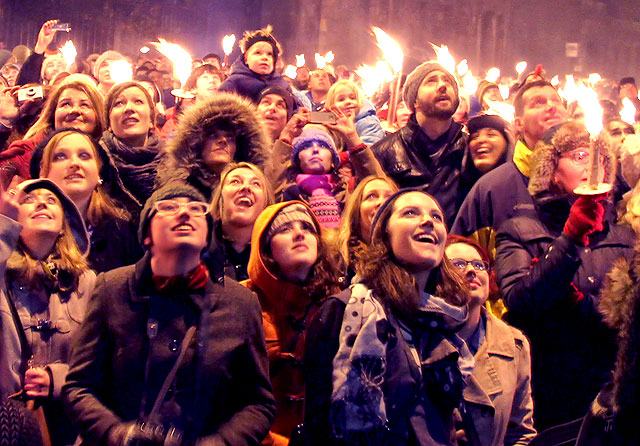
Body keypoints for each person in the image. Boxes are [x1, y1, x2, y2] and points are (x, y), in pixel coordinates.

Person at [62, 182, 276, 446]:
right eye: (169, 207)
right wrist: (116, 434)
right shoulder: (111, 289)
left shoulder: (240, 303)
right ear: (146, 234)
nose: (184, 213)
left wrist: (221, 443)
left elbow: (258, 402)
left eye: (197, 209)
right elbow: (79, 386)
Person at [495, 121, 634, 430]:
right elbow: (521, 301)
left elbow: (631, 317)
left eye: (600, 158)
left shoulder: (627, 236)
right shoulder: (519, 230)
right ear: (551, 171)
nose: (592, 165)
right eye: (579, 155)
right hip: (548, 387)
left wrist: (583, 304)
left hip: (609, 389)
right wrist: (570, 238)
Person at [304, 189, 471, 446]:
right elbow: (318, 426)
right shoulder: (342, 310)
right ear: (384, 236)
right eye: (410, 213)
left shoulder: (443, 322)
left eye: (437, 217)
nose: (428, 221)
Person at [0, 178, 95, 446]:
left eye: (52, 200)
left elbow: (106, 360)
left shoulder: (87, 282)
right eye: (29, 199)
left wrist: (59, 379)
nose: (42, 201)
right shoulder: (1, 273)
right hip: (7, 428)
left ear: (65, 226)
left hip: (71, 428)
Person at [242, 201, 341, 445]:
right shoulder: (242, 301)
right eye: (284, 229)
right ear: (265, 248)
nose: (299, 234)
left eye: (307, 228)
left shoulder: (337, 301)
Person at [452, 79, 568, 262]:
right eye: (538, 103)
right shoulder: (493, 187)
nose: (551, 107)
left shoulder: (591, 178)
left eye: (556, 100)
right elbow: (458, 257)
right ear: (519, 123)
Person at [445, 235, 536, 446]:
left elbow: (520, 434)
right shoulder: (417, 339)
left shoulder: (514, 344)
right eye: (458, 264)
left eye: (479, 265)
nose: (471, 271)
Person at [371, 61, 470, 227]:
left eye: (448, 81)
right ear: (414, 101)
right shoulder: (384, 152)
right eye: (431, 81)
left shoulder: (472, 149)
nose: (442, 86)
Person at [30, 128, 142, 272]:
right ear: (42, 172)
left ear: (99, 173)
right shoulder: (25, 228)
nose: (74, 163)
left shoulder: (125, 233)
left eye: (84, 156)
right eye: (61, 156)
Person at [156, 91, 270, 200]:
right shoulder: (175, 189)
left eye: (230, 137)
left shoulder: (253, 191)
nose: (223, 140)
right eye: (212, 135)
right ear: (197, 143)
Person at [1, 75, 106, 182]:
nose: (74, 110)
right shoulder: (24, 153)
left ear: (98, 115)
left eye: (84, 105)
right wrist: (2, 122)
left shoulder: (111, 158)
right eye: (65, 104)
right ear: (53, 114)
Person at [204, 162, 274, 281]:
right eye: (235, 181)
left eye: (256, 183)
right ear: (219, 201)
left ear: (266, 205)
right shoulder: (195, 252)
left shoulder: (275, 258)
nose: (246, 187)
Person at [99, 81, 164, 208]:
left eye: (138, 101)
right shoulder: (97, 161)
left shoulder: (175, 161)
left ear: (151, 120)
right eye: (119, 103)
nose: (129, 108)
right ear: (109, 123)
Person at [332, 174, 398, 280]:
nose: (381, 202)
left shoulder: (411, 257)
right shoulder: (336, 259)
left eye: (389, 197)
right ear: (356, 209)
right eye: (371, 196)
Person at [218, 26, 293, 104]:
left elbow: (296, 107)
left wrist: (297, 114)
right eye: (258, 53)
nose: (265, 57)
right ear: (246, 59)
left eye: (269, 54)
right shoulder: (234, 83)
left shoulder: (283, 85)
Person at [324, 79, 385, 146]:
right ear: (332, 105)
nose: (348, 102)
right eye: (341, 99)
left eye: (352, 98)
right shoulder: (332, 123)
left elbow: (371, 148)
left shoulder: (368, 122)